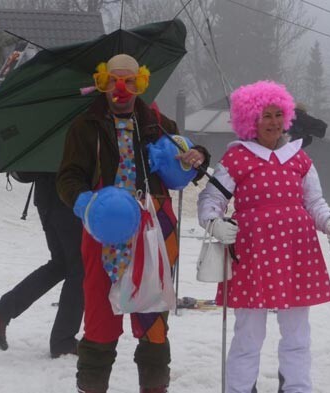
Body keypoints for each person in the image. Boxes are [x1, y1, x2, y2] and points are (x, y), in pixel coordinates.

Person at [56, 53, 210, 393]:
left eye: (128, 81)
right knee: (99, 317)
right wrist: (86, 202)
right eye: (113, 81)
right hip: (103, 228)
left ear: (139, 83)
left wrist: (196, 155)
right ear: (102, 83)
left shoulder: (155, 122)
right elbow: (67, 178)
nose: (120, 89)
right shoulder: (86, 125)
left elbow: (188, 155)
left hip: (154, 229)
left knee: (154, 319)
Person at [197, 80, 330, 393]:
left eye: (278, 114)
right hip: (251, 253)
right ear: (250, 119)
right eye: (266, 115)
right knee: (248, 333)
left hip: (297, 252)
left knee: (297, 332)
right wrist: (214, 223)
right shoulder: (237, 159)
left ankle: (296, 387)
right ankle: (240, 388)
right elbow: (211, 200)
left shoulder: (299, 158)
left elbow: (314, 202)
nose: (274, 122)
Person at [0, 172, 84, 358]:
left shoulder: (45, 143)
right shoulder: (71, 141)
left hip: (46, 199)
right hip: (67, 201)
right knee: (79, 269)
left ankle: (1, 311)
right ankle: (63, 341)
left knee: (60, 264)